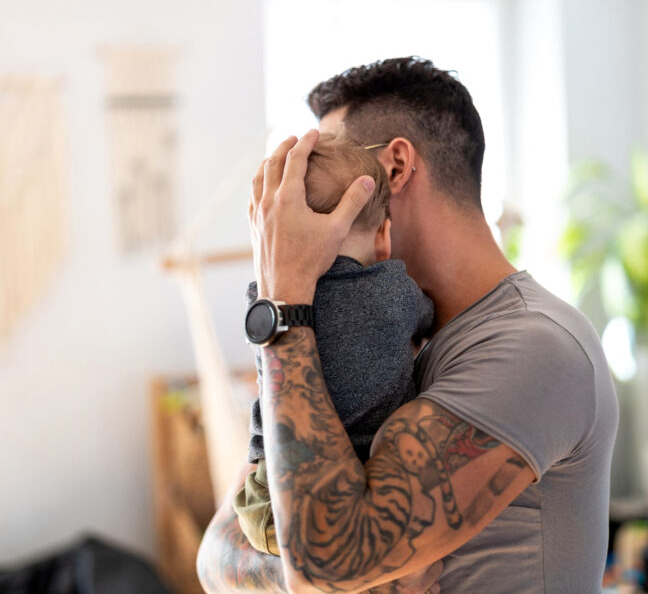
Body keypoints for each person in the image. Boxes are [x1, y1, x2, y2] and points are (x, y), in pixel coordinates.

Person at [197, 57, 619, 594]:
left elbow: (326, 563)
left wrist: (283, 300)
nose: (301, 200)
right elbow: (213, 555)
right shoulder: (368, 336)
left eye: (327, 161)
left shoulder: (535, 347)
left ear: (394, 168)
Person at [234, 133, 434, 556]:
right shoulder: (394, 291)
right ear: (384, 236)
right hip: (365, 476)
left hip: (263, 498)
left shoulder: (262, 299)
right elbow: (428, 317)